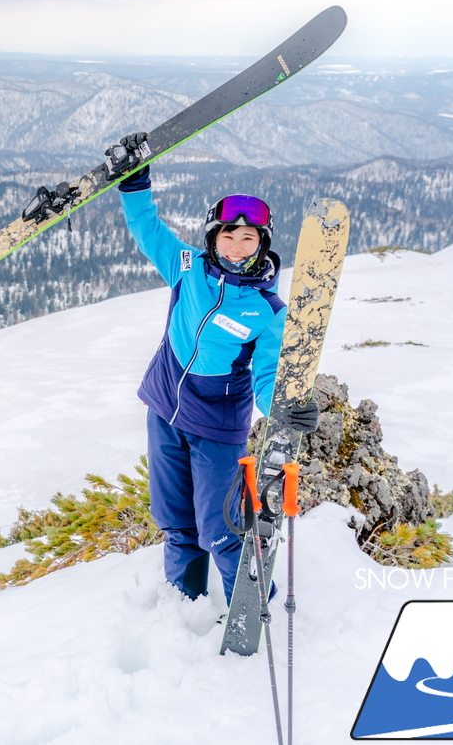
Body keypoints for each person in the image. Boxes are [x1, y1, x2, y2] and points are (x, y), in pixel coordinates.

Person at [108, 133, 319, 604]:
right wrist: (133, 182)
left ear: (262, 243)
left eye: (249, 237)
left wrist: (286, 408)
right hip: (164, 408)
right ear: (212, 236)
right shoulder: (187, 267)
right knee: (177, 523)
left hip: (216, 427)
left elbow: (267, 375)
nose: (238, 245)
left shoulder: (267, 310)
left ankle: (249, 607)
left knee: (222, 529)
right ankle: (182, 611)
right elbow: (148, 229)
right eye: (229, 234)